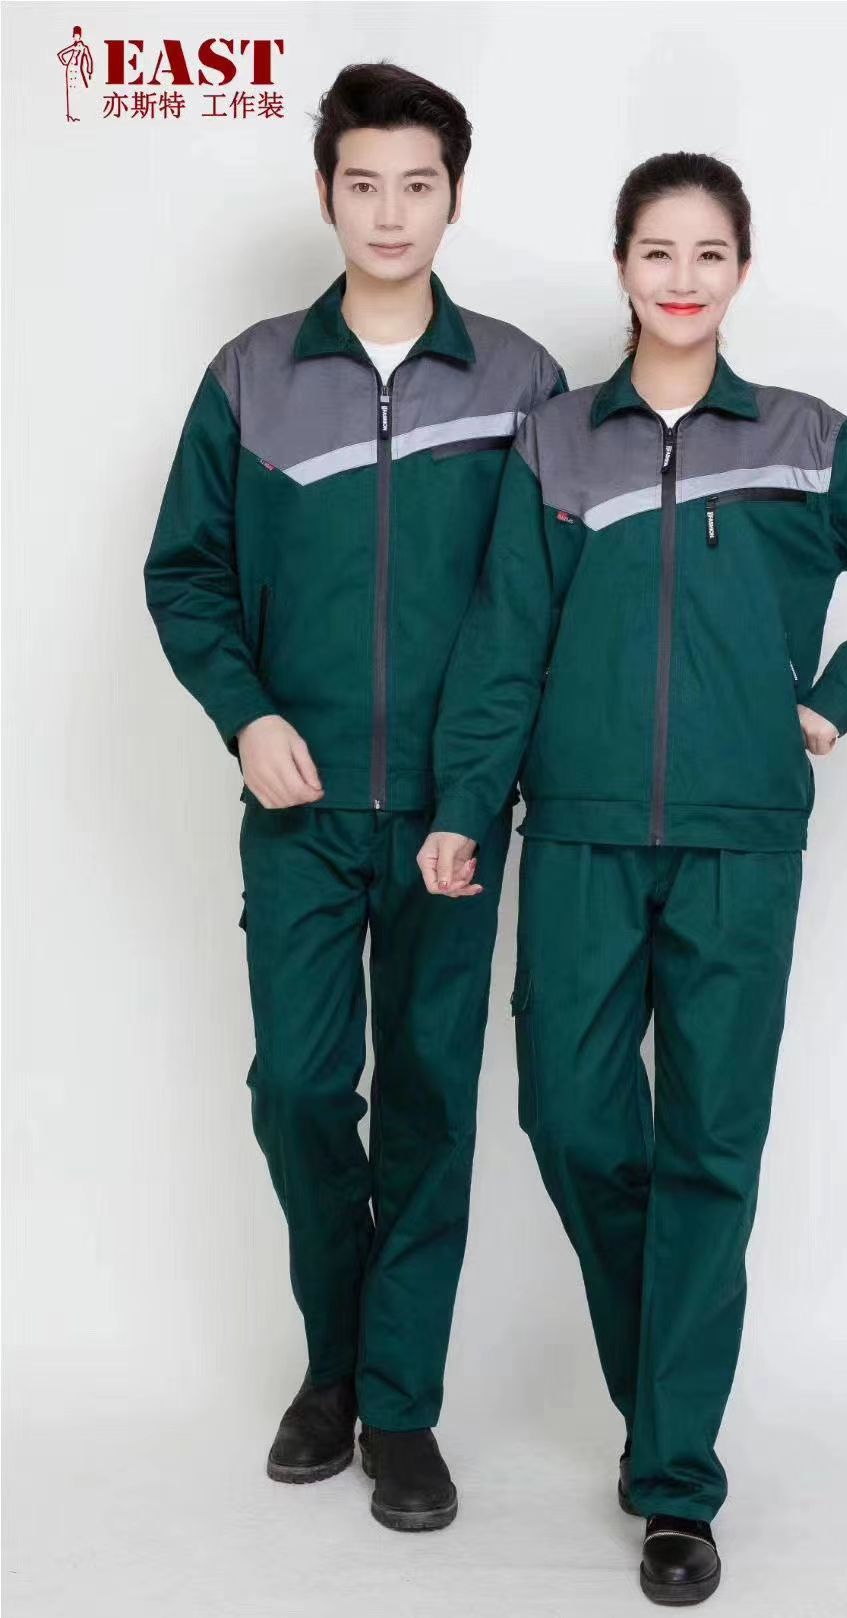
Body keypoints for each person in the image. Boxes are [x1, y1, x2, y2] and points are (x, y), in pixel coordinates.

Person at [418, 151, 847, 1602]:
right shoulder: (557, 442)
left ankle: (675, 1480)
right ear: (621, 266)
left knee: (712, 1149)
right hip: (581, 834)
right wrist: (467, 807)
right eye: (658, 252)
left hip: (742, 841)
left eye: (709, 254)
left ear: (741, 271)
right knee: (570, 1115)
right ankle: (666, 1382)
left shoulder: (801, 439)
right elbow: (504, 641)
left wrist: (837, 697)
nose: (682, 279)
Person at [143, 62, 566, 1532]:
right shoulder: (252, 376)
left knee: (432, 1103)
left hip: (454, 818)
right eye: (364, 183)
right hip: (304, 812)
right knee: (303, 1091)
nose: (391, 212)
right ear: (326, 194)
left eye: (418, 184)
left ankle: (398, 1406)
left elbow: (541, 602)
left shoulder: (519, 383)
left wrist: (485, 788)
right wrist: (245, 712)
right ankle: (331, 1362)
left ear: (455, 195)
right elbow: (186, 572)